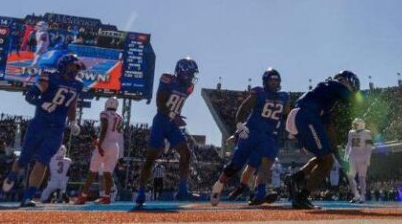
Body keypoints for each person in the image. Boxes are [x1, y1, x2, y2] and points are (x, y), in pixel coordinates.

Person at [2, 53, 84, 207]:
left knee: (43, 161)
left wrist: (73, 121)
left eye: (77, 68)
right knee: (25, 158)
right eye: (73, 67)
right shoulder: (50, 77)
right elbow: (30, 96)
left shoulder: (78, 84)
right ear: (63, 65)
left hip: (57, 128)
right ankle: (12, 175)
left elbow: (73, 105)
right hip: (40, 123)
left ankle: (28, 196)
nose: (75, 71)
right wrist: (42, 104)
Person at [210, 68, 290, 206]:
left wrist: (289, 130)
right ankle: (218, 186)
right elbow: (243, 110)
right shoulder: (259, 92)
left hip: (267, 136)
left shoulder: (284, 96)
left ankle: (260, 192)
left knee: (264, 164)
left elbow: (286, 115)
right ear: (266, 80)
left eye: (276, 80)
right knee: (235, 165)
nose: (274, 82)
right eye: (272, 79)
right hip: (250, 134)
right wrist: (239, 129)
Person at [284, 70, 360, 209]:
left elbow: (329, 128)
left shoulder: (326, 100)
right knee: (327, 162)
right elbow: (353, 99)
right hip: (306, 116)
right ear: (346, 81)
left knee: (324, 158)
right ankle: (301, 197)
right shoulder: (335, 84)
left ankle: (295, 179)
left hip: (303, 117)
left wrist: (337, 154)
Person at [135, 58, 199, 206]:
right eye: (189, 73)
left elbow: (178, 104)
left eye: (192, 74)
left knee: (186, 153)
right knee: (151, 158)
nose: (191, 76)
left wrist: (175, 116)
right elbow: (160, 103)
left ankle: (182, 189)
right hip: (161, 121)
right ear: (181, 71)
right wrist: (173, 115)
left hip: (172, 124)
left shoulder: (189, 87)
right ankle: (141, 191)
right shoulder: (167, 79)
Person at [74, 97, 124, 204]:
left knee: (92, 172)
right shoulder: (120, 117)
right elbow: (116, 133)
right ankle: (106, 197)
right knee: (108, 173)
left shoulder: (104, 113)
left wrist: (99, 143)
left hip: (105, 144)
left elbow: (105, 128)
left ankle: (83, 197)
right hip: (115, 146)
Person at [345, 117, 373, 204]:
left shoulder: (367, 133)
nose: (354, 126)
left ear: (361, 125)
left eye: (356, 124)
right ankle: (356, 195)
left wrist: (368, 158)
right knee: (350, 177)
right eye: (354, 124)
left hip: (362, 157)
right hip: (353, 157)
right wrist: (346, 155)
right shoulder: (351, 132)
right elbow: (349, 144)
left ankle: (362, 196)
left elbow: (369, 147)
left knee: (361, 178)